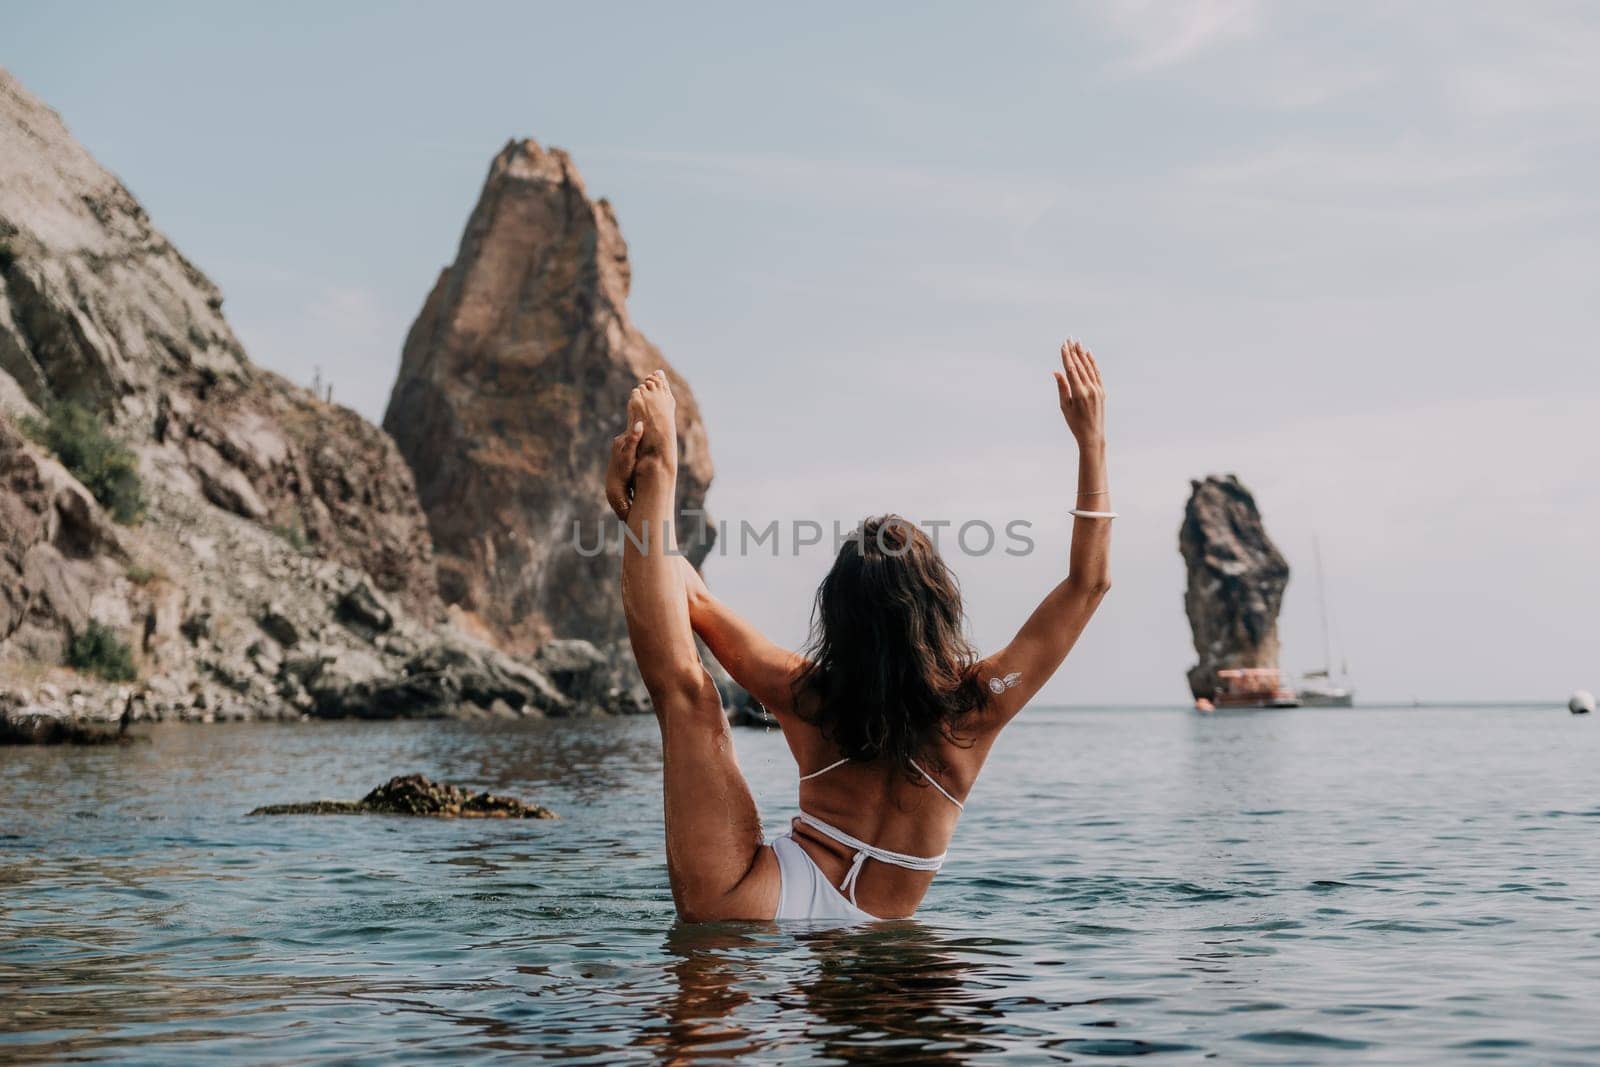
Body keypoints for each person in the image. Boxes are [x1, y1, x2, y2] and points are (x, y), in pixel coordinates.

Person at [605, 340, 1111, 923]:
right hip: (878, 933)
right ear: (939, 605)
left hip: (755, 894)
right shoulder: (976, 707)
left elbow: (688, 598)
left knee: (686, 695)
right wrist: (1091, 442)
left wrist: (640, 507)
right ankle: (656, 477)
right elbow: (1087, 586)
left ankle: (658, 467)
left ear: (838, 615)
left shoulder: (810, 694)